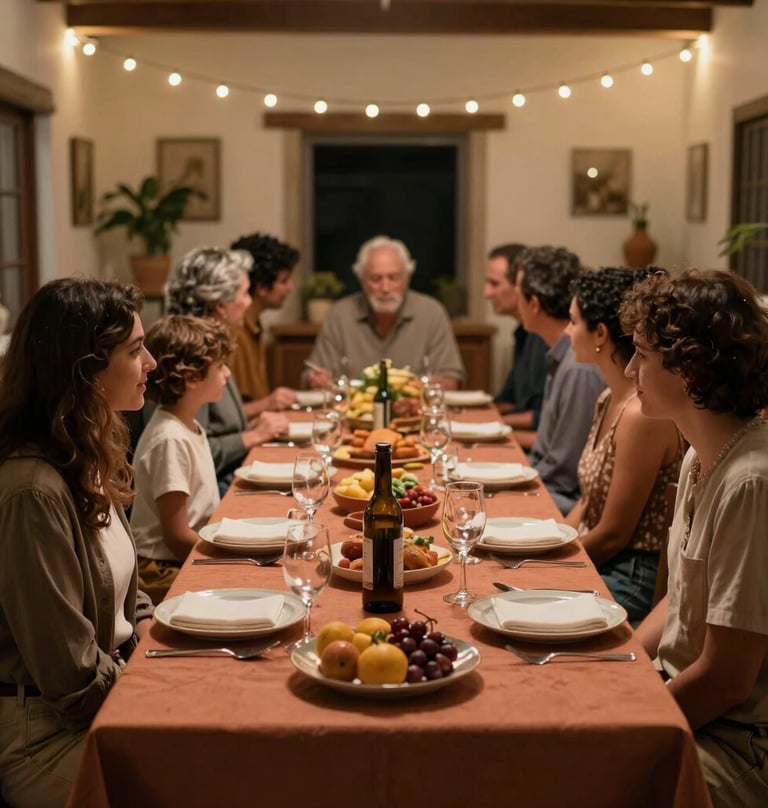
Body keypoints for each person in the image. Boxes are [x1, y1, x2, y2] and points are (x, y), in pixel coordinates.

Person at [0, 278, 156, 808]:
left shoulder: (85, 453)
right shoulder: (32, 492)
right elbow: (70, 678)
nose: (151, 363)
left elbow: (126, 593)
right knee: (203, 773)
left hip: (109, 690)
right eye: (135, 351)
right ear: (84, 369)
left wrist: (155, 635)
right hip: (42, 735)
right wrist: (155, 685)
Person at [621, 269, 768, 807]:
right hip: (687, 700)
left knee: (581, 775)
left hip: (738, 741)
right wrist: (623, 668)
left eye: (641, 354)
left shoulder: (751, 481)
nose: (631, 368)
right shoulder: (698, 457)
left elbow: (727, 679)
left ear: (688, 367)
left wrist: (637, 722)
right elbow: (676, 602)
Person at [564, 267, 683, 626]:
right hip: (601, 558)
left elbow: (614, 535)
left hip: (630, 573)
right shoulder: (607, 398)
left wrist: (555, 566)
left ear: (599, 333)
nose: (567, 332)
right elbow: (587, 504)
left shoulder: (640, 415)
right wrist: (551, 546)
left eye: (572, 322)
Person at [165, 246, 290, 491]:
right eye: (244, 293)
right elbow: (187, 452)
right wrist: (253, 436)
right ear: (220, 305)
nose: (249, 301)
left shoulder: (210, 344)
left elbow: (218, 430)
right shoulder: (191, 355)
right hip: (210, 494)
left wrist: (253, 426)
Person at [131, 315, 231, 604]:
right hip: (161, 570)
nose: (227, 374)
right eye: (220, 366)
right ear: (191, 378)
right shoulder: (170, 439)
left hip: (178, 557)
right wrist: (227, 559)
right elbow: (176, 537)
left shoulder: (188, 425)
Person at [513, 246, 605, 514]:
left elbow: (563, 473)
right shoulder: (562, 354)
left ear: (534, 303)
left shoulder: (578, 367)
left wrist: (508, 488)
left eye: (518, 293)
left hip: (560, 500)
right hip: (547, 484)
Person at [304, 235, 465, 388]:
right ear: (362, 281)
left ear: (407, 278)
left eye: (393, 278)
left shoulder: (431, 312)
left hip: (414, 412)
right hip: (352, 412)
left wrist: (414, 390)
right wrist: (317, 380)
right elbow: (313, 375)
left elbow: (451, 379)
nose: (385, 288)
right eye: (376, 279)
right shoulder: (340, 314)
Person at [229, 232, 300, 411]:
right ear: (261, 287)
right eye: (284, 280)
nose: (290, 288)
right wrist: (269, 403)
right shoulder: (235, 334)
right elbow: (225, 418)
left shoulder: (255, 326)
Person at [483, 243, 548, 432]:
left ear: (520, 286)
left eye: (494, 284)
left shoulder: (543, 338)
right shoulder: (523, 334)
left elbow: (541, 415)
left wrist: (489, 422)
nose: (486, 293)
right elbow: (508, 401)